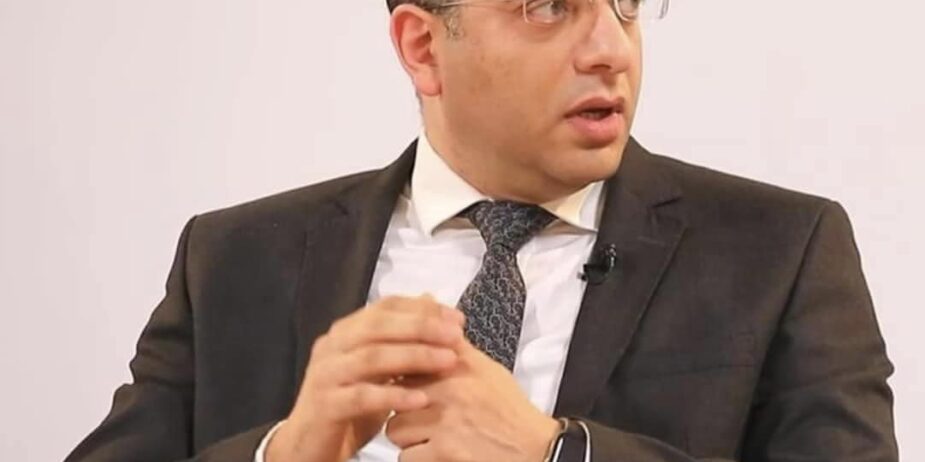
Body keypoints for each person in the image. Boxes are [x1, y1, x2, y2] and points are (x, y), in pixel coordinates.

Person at [67, 0, 899, 461]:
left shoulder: (778, 250)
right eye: (548, 7)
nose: (611, 49)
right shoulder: (236, 259)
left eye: (625, 5)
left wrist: (558, 457)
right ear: (422, 46)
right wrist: (282, 454)